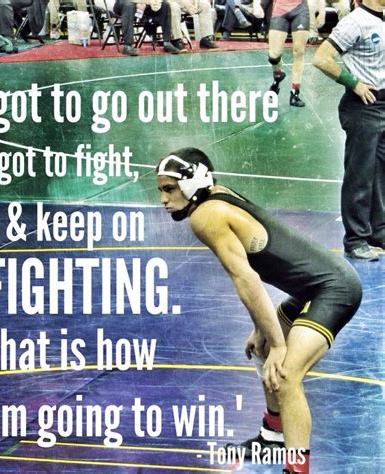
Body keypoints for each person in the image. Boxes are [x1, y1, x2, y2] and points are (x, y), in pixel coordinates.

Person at [156, 148, 363, 474]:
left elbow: (246, 278)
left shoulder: (205, 216)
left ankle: (297, 470)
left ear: (194, 181)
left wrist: (280, 344)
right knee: (263, 348)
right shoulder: (215, 193)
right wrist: (264, 332)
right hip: (314, 287)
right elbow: (248, 278)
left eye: (169, 189)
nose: (164, 199)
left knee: (286, 375)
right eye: (161, 190)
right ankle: (271, 436)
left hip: (334, 290)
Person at [312, 0, 384, 261]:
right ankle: (355, 240)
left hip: (383, 105)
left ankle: (378, 231)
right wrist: (354, 83)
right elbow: (321, 58)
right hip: (364, 105)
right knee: (360, 174)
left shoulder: (382, 19)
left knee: (380, 173)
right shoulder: (354, 22)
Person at [257, 0, 310, 106]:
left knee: (299, 52)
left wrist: (321, 11)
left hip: (300, 9)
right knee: (273, 56)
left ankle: (295, 93)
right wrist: (256, 4)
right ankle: (278, 75)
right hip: (280, 9)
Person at [113, 0, 180, 55]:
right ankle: (127, 46)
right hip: (124, 2)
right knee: (129, 5)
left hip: (144, 2)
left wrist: (155, 2)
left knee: (165, 4)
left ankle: (167, 42)